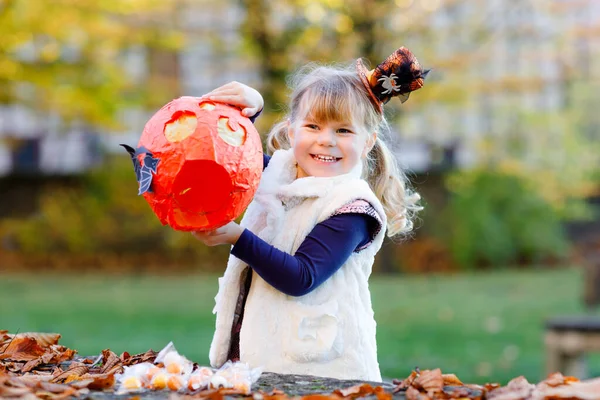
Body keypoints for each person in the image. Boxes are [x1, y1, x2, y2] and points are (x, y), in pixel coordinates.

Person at [192, 47, 429, 381]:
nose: (326, 141)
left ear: (367, 143)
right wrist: (252, 109)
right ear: (292, 132)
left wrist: (237, 237)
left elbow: (301, 277)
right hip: (262, 364)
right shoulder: (282, 174)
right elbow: (234, 158)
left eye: (343, 131)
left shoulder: (353, 208)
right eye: (313, 126)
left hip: (326, 374)